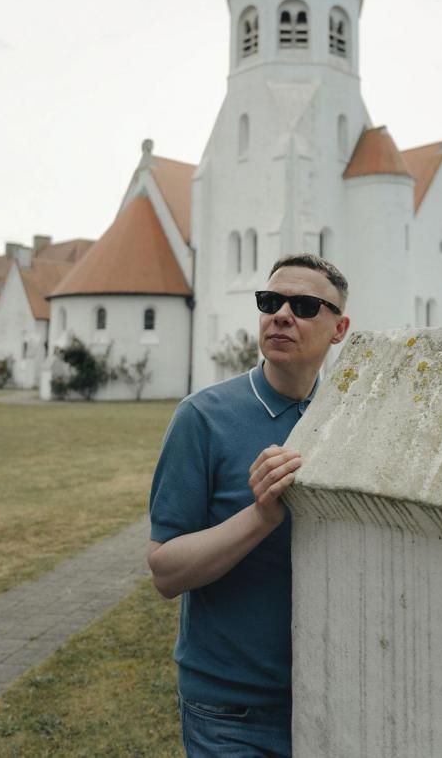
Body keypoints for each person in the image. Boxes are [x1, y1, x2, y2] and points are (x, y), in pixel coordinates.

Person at [147, 253, 350, 758]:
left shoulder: (347, 421)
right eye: (270, 301)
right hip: (230, 711)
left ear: (339, 328)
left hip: (334, 703)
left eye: (304, 305)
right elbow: (165, 573)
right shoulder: (202, 417)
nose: (282, 313)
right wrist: (259, 517)